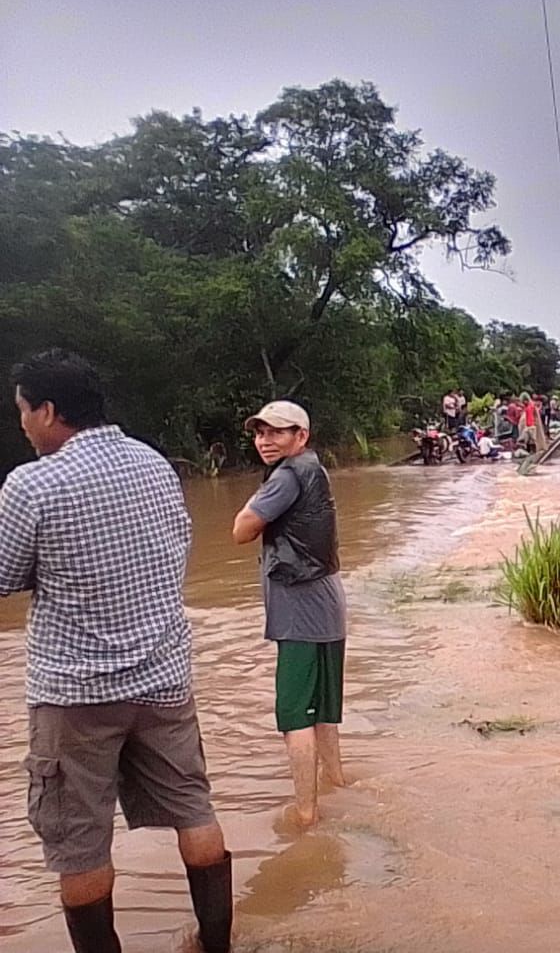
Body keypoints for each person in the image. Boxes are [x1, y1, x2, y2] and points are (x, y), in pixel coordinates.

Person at [0, 350, 231, 953]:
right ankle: (218, 944)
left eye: (23, 411)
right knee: (193, 808)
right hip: (163, 678)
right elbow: (177, 548)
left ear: (48, 411)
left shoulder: (33, 483)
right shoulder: (155, 464)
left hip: (75, 694)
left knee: (78, 841)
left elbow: (3, 577)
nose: (22, 424)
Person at [232, 400, 347, 829]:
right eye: (260, 433)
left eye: (277, 432)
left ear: (301, 436)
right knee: (326, 710)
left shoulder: (285, 476)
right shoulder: (314, 468)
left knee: (295, 716)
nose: (265, 441)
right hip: (328, 601)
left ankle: (305, 816)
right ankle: (338, 786)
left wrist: (255, 501)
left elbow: (241, 530)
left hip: (299, 607)